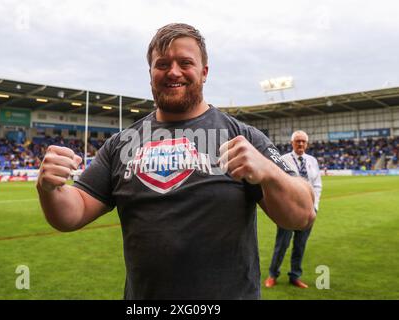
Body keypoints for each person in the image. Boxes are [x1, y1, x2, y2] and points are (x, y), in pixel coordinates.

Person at [37, 23, 316, 299]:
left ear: (204, 72)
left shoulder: (242, 136)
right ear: (151, 73)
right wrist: (49, 189)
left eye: (185, 62)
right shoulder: (121, 144)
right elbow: (71, 214)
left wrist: (269, 172)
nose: (173, 72)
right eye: (162, 64)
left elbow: (302, 215)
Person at [264, 130, 322, 289]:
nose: (301, 144)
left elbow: (317, 185)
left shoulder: (312, 161)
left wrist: (314, 207)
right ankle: (272, 274)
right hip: (287, 213)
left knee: (300, 245)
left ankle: (295, 276)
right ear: (292, 143)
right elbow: (276, 186)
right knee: (281, 245)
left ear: (307, 144)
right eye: (298, 141)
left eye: (303, 141)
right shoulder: (283, 160)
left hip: (308, 213)